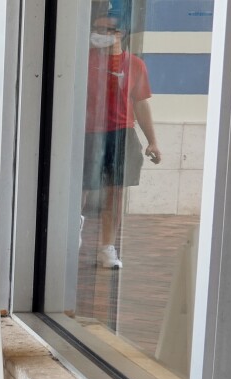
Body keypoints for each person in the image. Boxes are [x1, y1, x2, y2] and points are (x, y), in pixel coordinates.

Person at [82, 11, 161, 269]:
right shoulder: (84, 61)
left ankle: (107, 248)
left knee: (114, 196)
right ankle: (71, 236)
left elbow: (140, 104)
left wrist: (152, 141)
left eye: (106, 30)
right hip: (88, 134)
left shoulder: (135, 65)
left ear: (120, 35)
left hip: (121, 135)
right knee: (80, 190)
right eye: (96, 29)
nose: (99, 35)